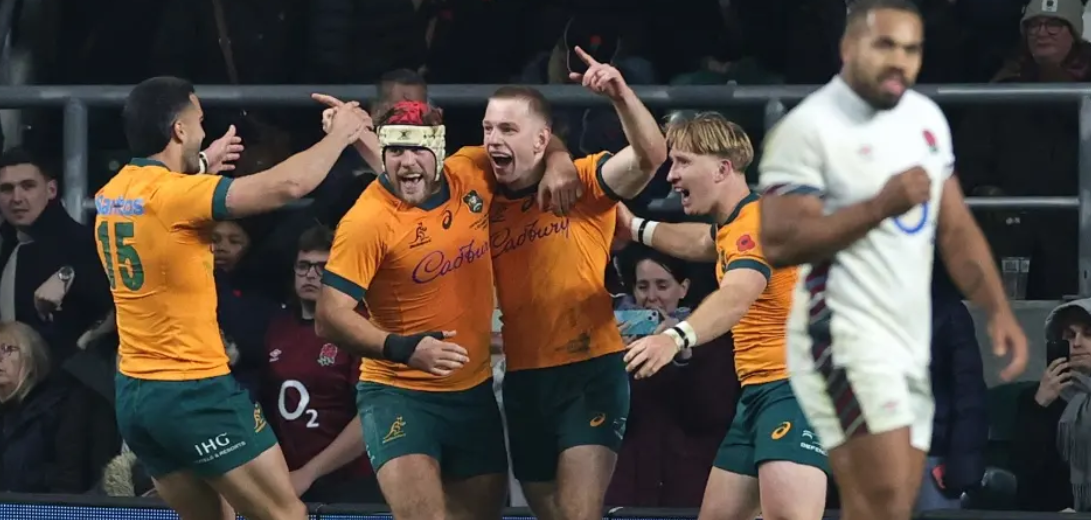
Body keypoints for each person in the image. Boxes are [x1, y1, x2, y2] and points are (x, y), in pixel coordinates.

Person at [755, 2, 1028, 519]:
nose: (899, 60)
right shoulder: (808, 129)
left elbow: (956, 227)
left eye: (911, 48)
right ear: (848, 49)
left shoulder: (925, 121)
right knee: (880, 495)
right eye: (886, 46)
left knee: (891, 501)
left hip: (908, 330)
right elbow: (780, 242)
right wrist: (880, 206)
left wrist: (997, 306)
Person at [98, 76, 364, 520]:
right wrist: (341, 134)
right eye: (199, 122)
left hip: (136, 396)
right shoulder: (179, 196)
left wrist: (201, 162)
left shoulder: (113, 194)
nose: (204, 131)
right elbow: (288, 186)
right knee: (286, 515)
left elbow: (162, 194)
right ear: (179, 131)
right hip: (194, 391)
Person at [314, 99, 581, 520]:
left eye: (418, 150)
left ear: (439, 151)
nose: (406, 163)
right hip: (400, 394)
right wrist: (405, 349)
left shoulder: (471, 171)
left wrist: (561, 160)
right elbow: (329, 316)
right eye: (396, 152)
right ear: (380, 155)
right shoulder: (367, 221)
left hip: (471, 395)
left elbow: (537, 141)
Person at [484, 46, 667, 520]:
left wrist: (621, 96)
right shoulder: (480, 198)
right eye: (487, 128)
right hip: (523, 379)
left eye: (507, 129)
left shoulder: (585, 183)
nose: (493, 140)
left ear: (541, 138)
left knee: (579, 513)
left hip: (590, 372)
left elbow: (651, 156)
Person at [619, 113, 828, 520]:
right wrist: (635, 228)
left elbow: (737, 294)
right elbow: (701, 242)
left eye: (682, 162)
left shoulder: (757, 224)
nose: (672, 176)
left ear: (721, 168)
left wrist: (674, 337)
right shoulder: (736, 224)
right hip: (758, 394)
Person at [262, 225, 380, 504]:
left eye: (321, 267)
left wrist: (309, 473)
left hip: (353, 482)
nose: (311, 275)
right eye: (303, 266)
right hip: (290, 479)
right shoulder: (278, 328)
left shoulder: (361, 327)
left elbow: (372, 417)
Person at [1011, 298, 1091, 512]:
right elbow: (1025, 472)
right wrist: (1040, 405)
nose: (1077, 343)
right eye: (1069, 335)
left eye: (1088, 334)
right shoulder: (1035, 397)